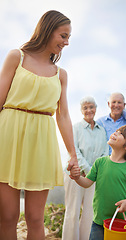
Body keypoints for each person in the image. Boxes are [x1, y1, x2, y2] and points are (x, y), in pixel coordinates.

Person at [0, 10, 78, 240]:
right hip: (8, 139)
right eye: (63, 36)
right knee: (7, 216)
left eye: (68, 38)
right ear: (47, 29)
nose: (66, 42)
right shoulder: (17, 57)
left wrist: (72, 153)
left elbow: (62, 116)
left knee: (35, 217)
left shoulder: (60, 74)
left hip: (41, 144)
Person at [70, 125, 126, 240]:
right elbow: (87, 183)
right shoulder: (100, 162)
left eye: (121, 134)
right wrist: (77, 177)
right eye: (116, 131)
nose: (115, 133)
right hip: (99, 220)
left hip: (120, 223)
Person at [62, 96, 109, 240]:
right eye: (85, 108)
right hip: (76, 175)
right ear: (81, 110)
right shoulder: (75, 128)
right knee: (72, 212)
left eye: (91, 107)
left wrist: (95, 173)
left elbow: (105, 152)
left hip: (94, 177)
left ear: (96, 108)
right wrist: (90, 170)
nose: (89, 110)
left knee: (89, 212)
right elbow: (74, 150)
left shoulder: (102, 130)